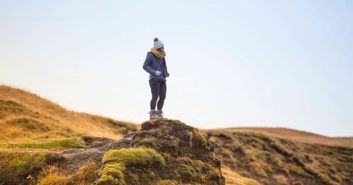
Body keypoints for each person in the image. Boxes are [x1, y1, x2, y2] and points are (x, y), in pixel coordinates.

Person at [143, 37, 170, 120]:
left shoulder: (162, 56)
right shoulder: (150, 55)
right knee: (155, 96)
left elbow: (164, 66)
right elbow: (145, 66)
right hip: (154, 79)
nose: (163, 49)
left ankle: (159, 113)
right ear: (159, 48)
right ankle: (152, 114)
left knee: (163, 96)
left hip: (162, 79)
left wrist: (166, 72)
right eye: (162, 47)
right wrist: (154, 72)